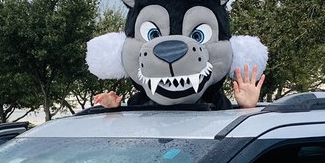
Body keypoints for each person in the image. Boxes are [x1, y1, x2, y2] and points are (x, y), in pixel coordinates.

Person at [93, 64, 266, 111]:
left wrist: (247, 108)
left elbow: (234, 137)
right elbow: (127, 135)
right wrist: (113, 110)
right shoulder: (140, 102)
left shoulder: (212, 101)